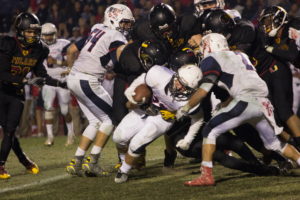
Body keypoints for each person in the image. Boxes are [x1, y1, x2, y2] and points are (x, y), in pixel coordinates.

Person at [176, 33, 300, 186]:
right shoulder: (240, 55)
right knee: (275, 144)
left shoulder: (211, 59)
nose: (202, 51)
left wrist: (185, 107)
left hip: (246, 100)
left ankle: (206, 175)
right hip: (263, 101)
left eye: (203, 47)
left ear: (209, 46)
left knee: (209, 130)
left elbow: (204, 90)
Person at [65, 4, 134, 177]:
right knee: (109, 119)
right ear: (113, 19)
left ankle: (77, 161)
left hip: (74, 78)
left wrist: (70, 68)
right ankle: (93, 161)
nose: (126, 27)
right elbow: (118, 60)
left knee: (95, 122)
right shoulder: (116, 35)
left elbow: (72, 49)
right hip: (88, 80)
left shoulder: (97, 28)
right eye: (124, 22)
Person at [0, 12, 66, 179]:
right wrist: (27, 81)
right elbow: (2, 74)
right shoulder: (8, 44)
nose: (33, 35)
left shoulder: (39, 49)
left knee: (9, 131)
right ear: (20, 31)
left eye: (35, 31)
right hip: (1, 90)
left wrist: (61, 84)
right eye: (29, 31)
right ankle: (25, 161)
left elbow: (41, 75)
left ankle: (1, 166)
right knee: (9, 131)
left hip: (16, 93)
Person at [113, 64, 203, 183]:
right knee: (118, 137)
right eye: (179, 82)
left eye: (184, 87)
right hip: (144, 109)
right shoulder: (159, 74)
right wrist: (131, 93)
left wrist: (188, 139)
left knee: (136, 144)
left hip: (162, 119)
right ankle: (125, 161)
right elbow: (143, 78)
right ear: (176, 75)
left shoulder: (191, 101)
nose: (179, 87)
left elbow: (198, 119)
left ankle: (123, 171)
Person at [41, 23, 75, 146]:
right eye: (46, 35)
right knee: (48, 107)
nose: (48, 38)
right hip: (48, 80)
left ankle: (71, 134)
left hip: (62, 79)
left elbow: (70, 61)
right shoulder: (38, 46)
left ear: (55, 34)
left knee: (65, 110)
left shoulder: (64, 43)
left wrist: (57, 61)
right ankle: (50, 137)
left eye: (50, 35)